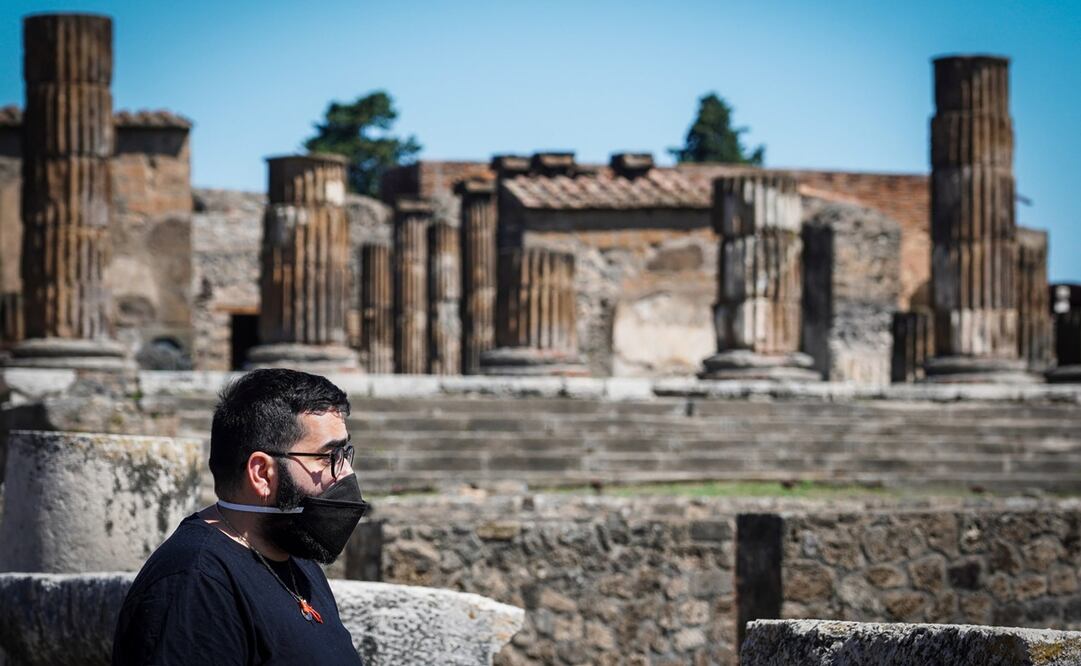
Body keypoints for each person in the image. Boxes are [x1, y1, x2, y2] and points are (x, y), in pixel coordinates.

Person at [113, 368, 369, 665]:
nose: (346, 473)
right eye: (328, 457)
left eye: (344, 453)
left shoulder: (295, 554)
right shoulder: (195, 584)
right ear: (262, 473)